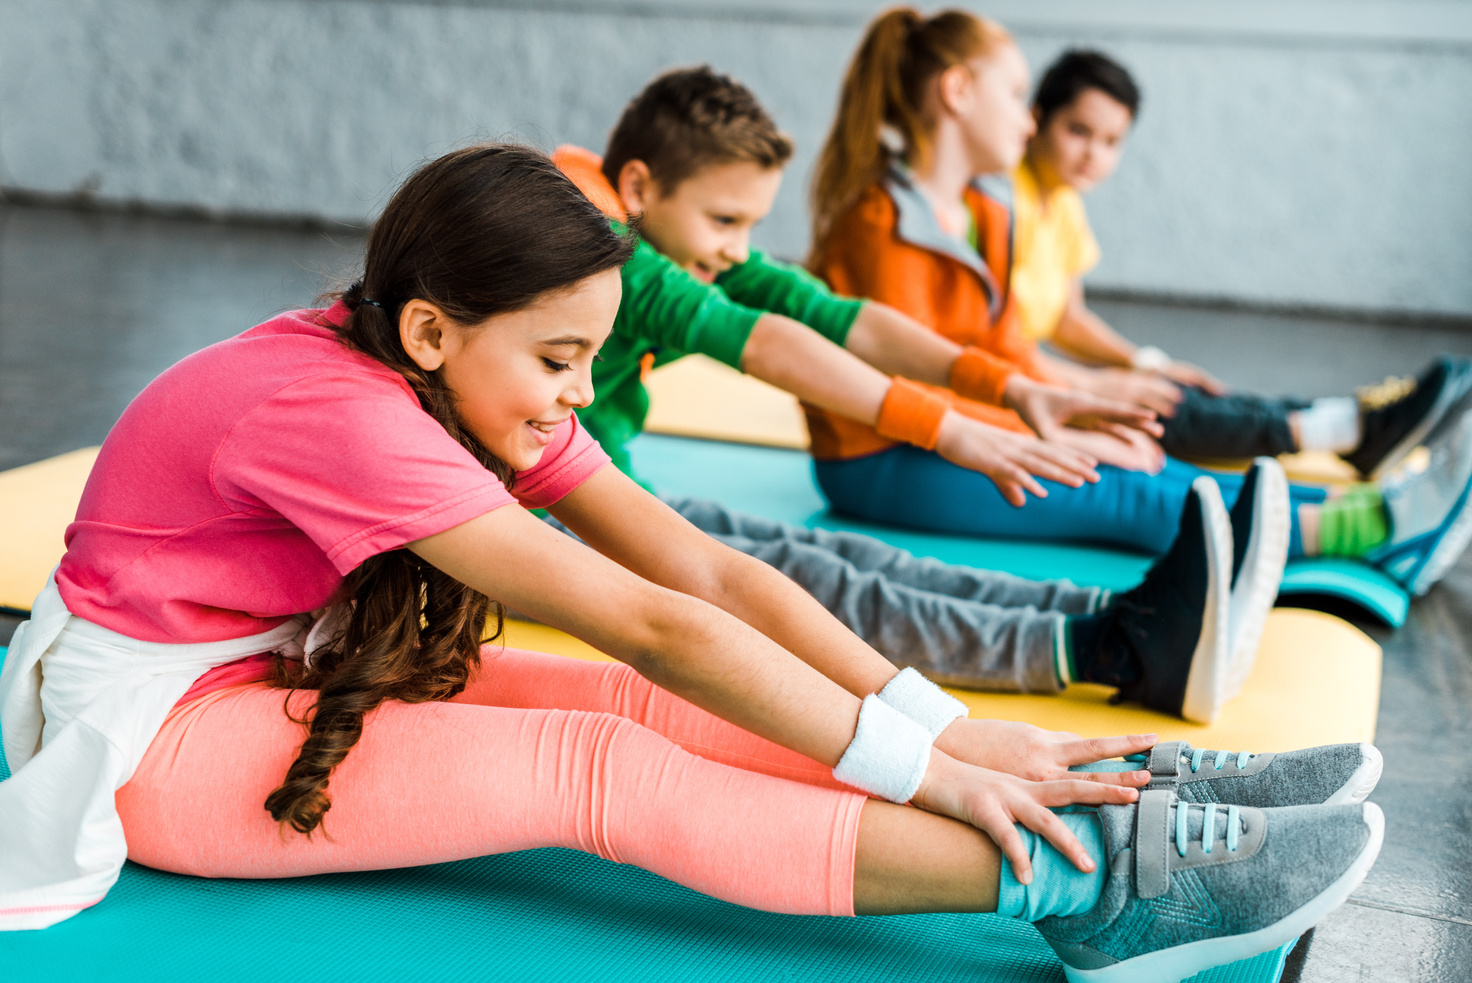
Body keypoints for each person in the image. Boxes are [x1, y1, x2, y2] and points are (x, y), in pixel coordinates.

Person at [0, 146, 1384, 983]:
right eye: (558, 359)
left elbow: (705, 575)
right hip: (155, 734)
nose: (575, 392)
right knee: (598, 769)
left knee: (635, 708)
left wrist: (961, 738)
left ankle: (1080, 782)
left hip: (260, 658)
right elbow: (648, 617)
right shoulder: (345, 414)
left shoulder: (454, 371)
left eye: (591, 355)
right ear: (430, 330)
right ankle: (1091, 881)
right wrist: (921, 770)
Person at [549, 66, 1289, 717]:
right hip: (540, 521)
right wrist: (945, 427)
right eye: (724, 220)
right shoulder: (608, 260)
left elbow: (837, 318)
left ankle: (1128, 614)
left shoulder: (675, 240)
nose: (739, 248)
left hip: (592, 487)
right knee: (807, 582)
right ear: (642, 188)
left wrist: (1008, 386)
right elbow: (764, 342)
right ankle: (1109, 650)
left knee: (834, 554)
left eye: (750, 224)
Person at [805, 6, 1472, 599]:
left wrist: (1080, 411)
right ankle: (1375, 533)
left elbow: (1004, 349)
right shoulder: (879, 226)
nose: (1027, 114)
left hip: (959, 429)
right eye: (1014, 93)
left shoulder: (984, 210)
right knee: (1118, 488)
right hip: (881, 457)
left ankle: (1377, 509)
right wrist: (1052, 434)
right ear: (957, 92)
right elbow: (904, 388)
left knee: (1157, 461)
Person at [1010, 48, 1472, 475]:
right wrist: (1098, 384)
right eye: (1078, 131)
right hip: (1012, 383)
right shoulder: (1006, 200)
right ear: (1036, 119)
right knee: (1153, 406)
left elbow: (1067, 318)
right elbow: (989, 341)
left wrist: (1146, 363)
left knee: (1177, 388)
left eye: (1111, 141)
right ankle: (1345, 430)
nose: (1094, 154)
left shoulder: (1064, 202)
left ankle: (1345, 421)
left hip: (1033, 371)